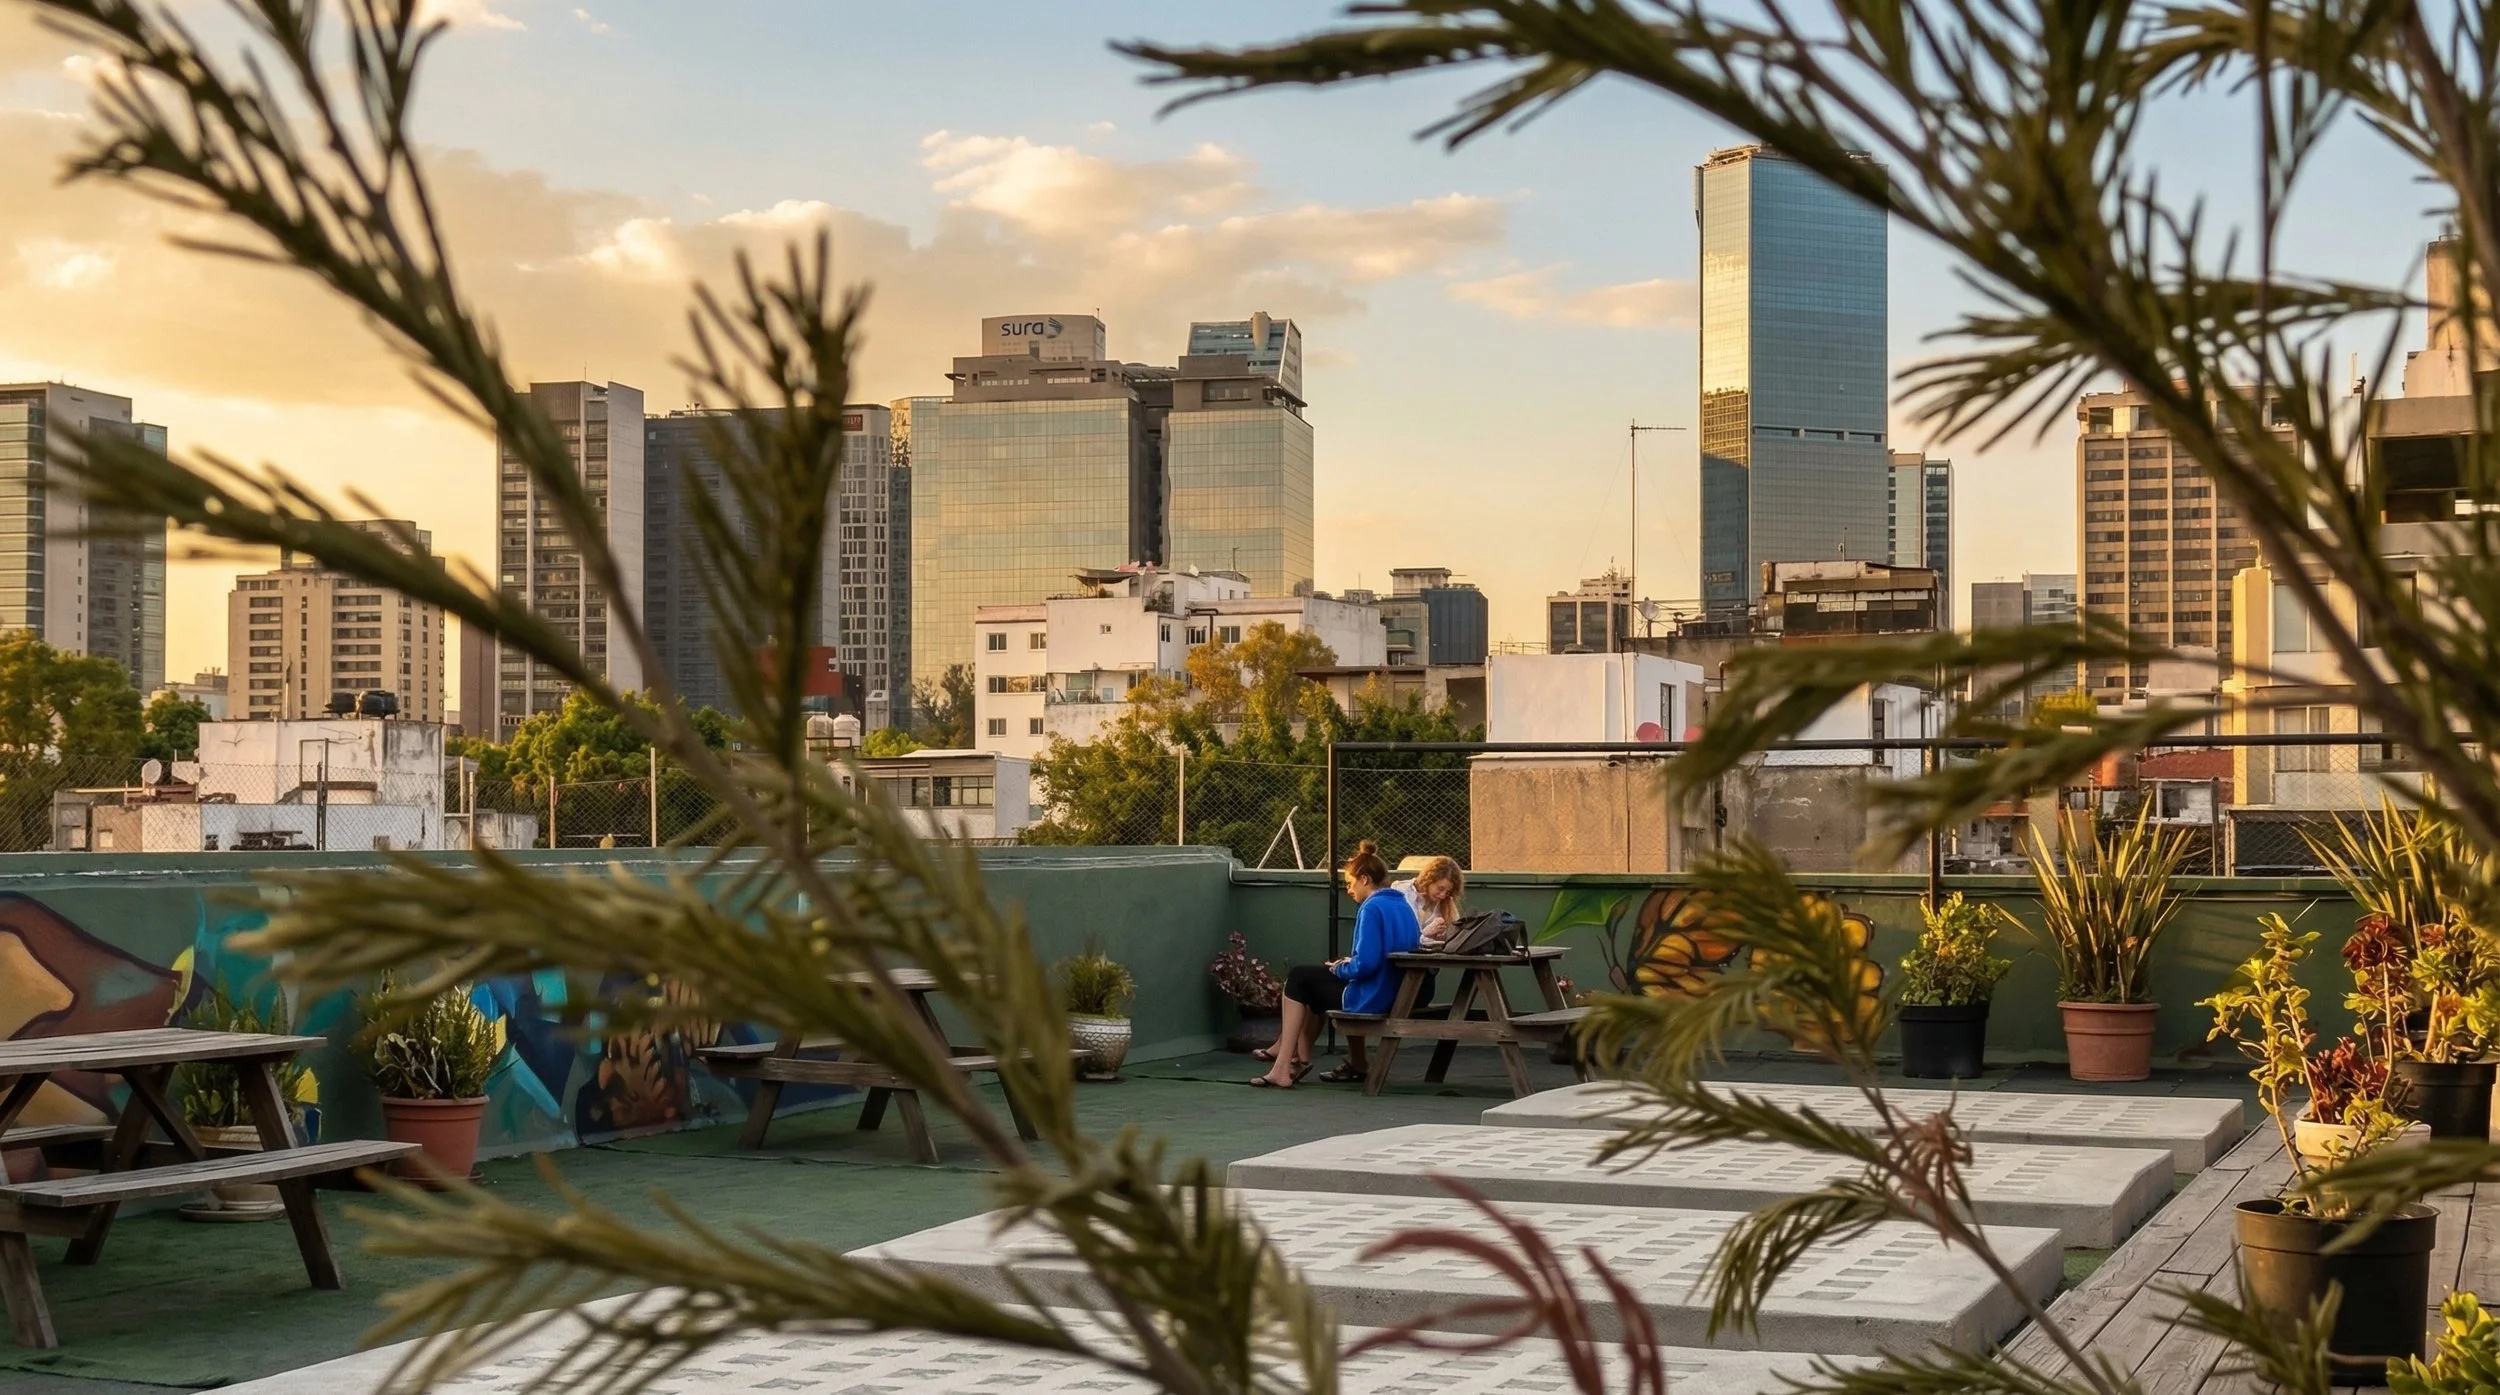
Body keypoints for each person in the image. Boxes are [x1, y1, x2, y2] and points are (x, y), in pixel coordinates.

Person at [1251, 840, 1420, 1088]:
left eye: (1350, 883)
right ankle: (1327, 1060)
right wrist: (1345, 965)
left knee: (1299, 978)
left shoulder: (1372, 907)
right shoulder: (1402, 905)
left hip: (1372, 996)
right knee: (1313, 982)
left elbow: (1366, 965)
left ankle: (1283, 1066)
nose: (1349, 890)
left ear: (1364, 879)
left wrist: (1339, 967)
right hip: (1396, 992)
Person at [1397, 856, 1465, 946]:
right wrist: (1425, 933)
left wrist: (1445, 936)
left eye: (1448, 892)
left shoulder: (1447, 902)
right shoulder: (1402, 892)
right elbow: (1399, 936)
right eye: (1440, 888)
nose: (1443, 895)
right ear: (1429, 880)